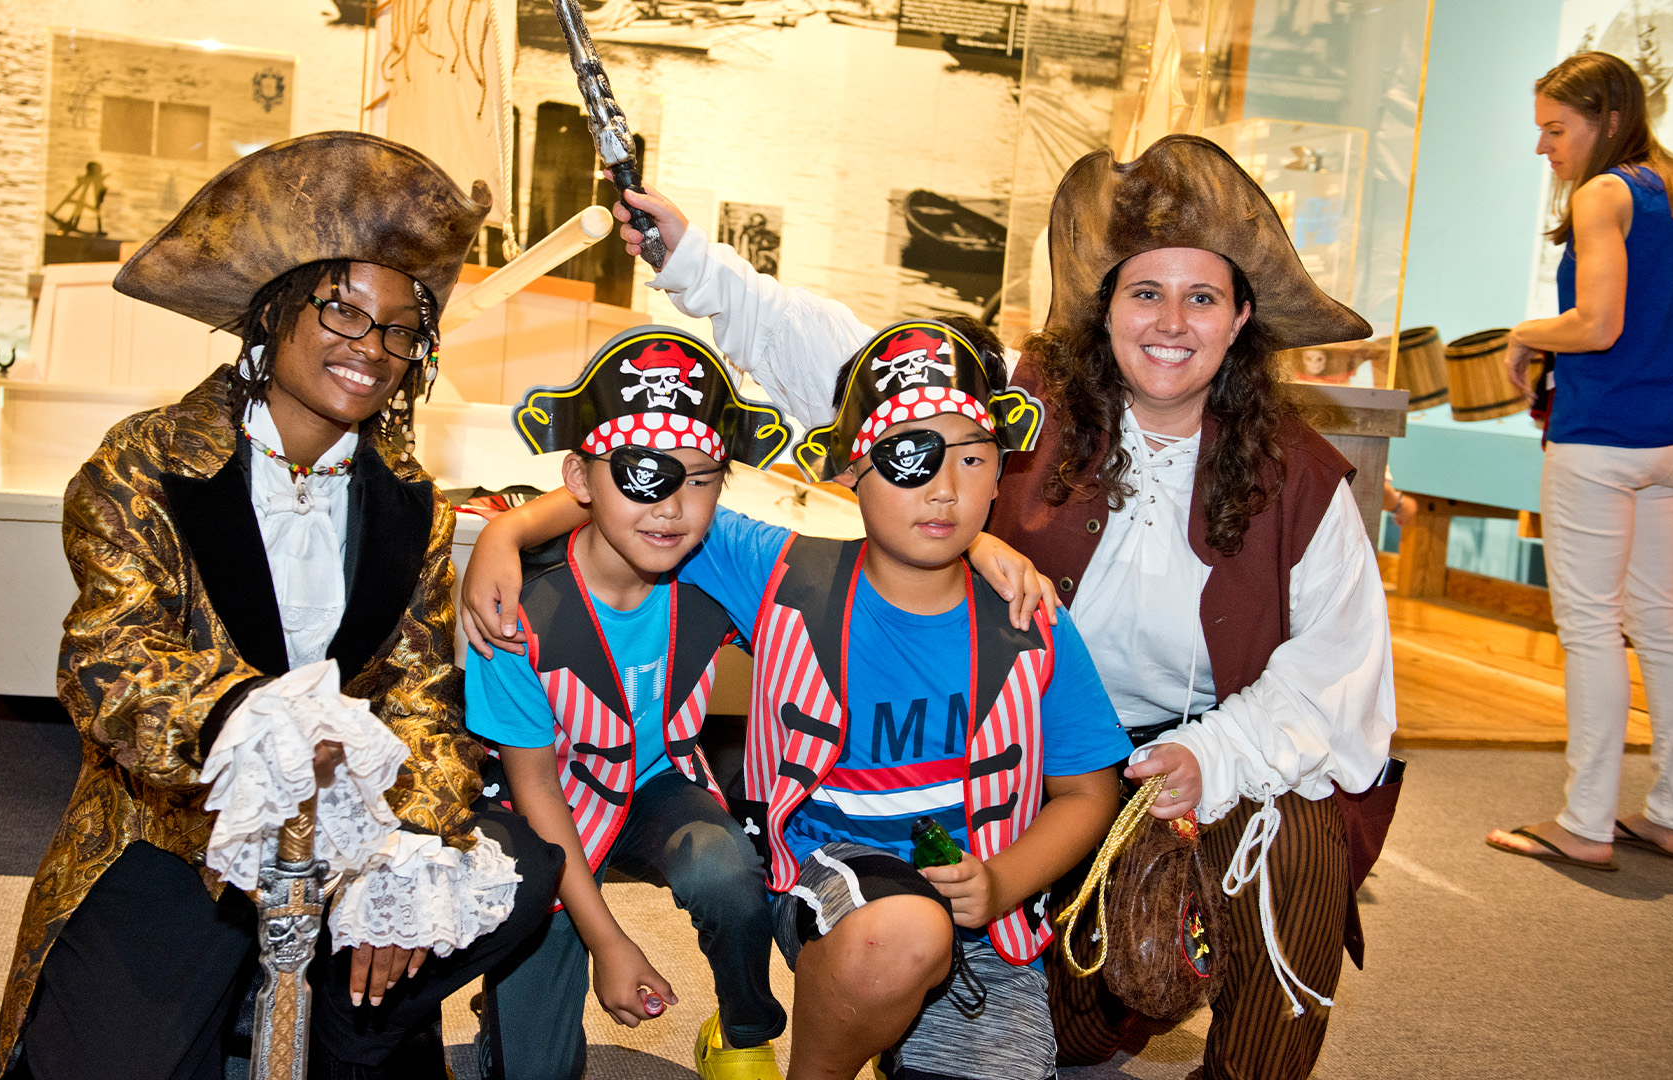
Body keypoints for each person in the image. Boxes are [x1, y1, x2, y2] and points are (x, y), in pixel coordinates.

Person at [594, 134, 1398, 1080]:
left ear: (1240, 317)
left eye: (1202, 296)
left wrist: (1205, 754)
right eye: (1146, 292)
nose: (1171, 321)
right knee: (1046, 1032)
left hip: (1194, 777)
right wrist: (692, 261)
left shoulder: (1300, 478)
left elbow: (1337, 679)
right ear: (1108, 312)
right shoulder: (1021, 407)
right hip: (1024, 798)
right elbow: (856, 371)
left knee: (1297, 833)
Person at [0, 132, 563, 1080]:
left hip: (351, 840)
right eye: (343, 313)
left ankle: (356, 1023)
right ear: (274, 315)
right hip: (177, 833)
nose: (372, 349)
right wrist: (239, 715)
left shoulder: (410, 500)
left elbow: (422, 697)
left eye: (398, 328)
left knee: (519, 870)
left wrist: (409, 856)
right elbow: (107, 659)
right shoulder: (144, 463)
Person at [467, 319, 1131, 1080]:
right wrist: (508, 532)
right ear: (851, 471)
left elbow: (1088, 791)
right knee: (900, 936)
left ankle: (893, 1016)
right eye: (908, 457)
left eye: (973, 459)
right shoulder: (779, 573)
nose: (944, 489)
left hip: (985, 916)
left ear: (1000, 470)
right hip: (833, 879)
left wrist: (1004, 882)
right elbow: (632, 495)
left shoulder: (1030, 621)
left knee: (943, 991)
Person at [464, 326, 793, 1080]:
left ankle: (744, 1027)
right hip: (546, 809)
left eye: (701, 479)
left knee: (725, 869)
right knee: (537, 1068)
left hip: (654, 788)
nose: (673, 508)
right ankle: (503, 1015)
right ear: (580, 479)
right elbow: (536, 788)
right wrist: (610, 940)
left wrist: (982, 544)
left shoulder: (714, 573)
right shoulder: (518, 614)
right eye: (645, 475)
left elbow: (862, 571)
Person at [1487, 51, 1673, 870]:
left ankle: (1586, 822)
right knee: (1665, 623)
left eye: (1555, 129)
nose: (1545, 148)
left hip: (1602, 440)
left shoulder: (1607, 193)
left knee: (1593, 628)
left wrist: (1528, 331)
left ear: (1607, 119)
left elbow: (1598, 323)